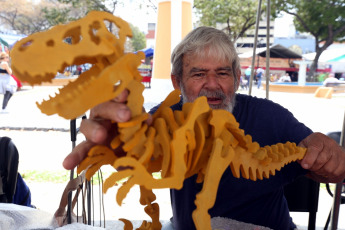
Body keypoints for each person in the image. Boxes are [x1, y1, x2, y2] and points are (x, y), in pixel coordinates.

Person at [62, 27, 345, 230]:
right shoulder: (164, 118)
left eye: (222, 73)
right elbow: (134, 156)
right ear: (177, 83)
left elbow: (325, 167)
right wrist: (113, 142)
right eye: (198, 74)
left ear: (236, 78)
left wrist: (330, 158)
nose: (212, 85)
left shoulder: (270, 116)